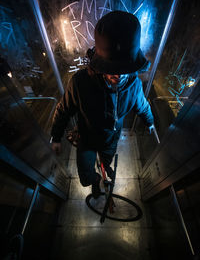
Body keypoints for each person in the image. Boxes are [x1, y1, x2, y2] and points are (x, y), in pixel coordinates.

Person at [51, 10, 154, 199]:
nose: (120, 75)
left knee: (109, 167)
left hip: (110, 139)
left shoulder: (134, 84)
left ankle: (104, 176)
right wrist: (55, 137)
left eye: (126, 68)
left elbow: (142, 105)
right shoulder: (80, 83)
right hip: (87, 139)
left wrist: (150, 122)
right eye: (114, 69)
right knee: (85, 176)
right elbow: (63, 110)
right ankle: (95, 180)